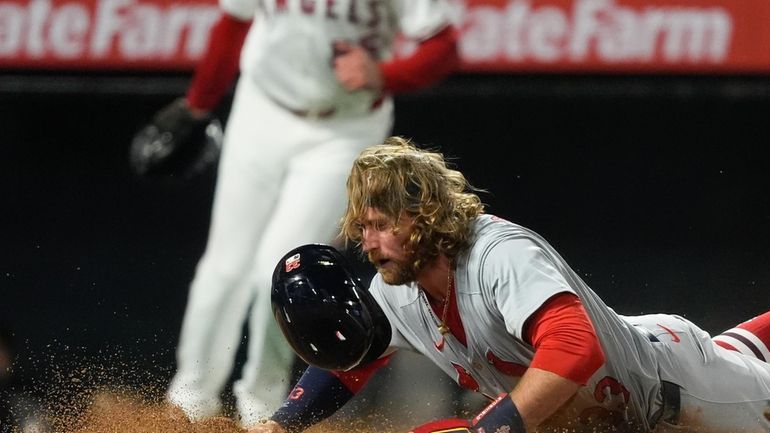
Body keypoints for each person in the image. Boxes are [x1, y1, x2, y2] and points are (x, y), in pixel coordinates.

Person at [256, 136, 770, 433]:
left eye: (381, 225)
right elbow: (351, 362)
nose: (367, 242)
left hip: (679, 392)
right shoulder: (397, 284)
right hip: (613, 411)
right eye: (362, 227)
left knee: (738, 368)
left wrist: (490, 430)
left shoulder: (496, 254)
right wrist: (284, 423)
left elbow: (575, 345)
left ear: (425, 215)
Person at [158, 0, 461, 428]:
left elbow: (444, 46)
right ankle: (188, 399)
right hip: (262, 110)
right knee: (223, 265)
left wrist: (382, 75)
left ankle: (261, 408)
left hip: (344, 128)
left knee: (278, 267)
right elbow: (233, 23)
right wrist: (197, 105)